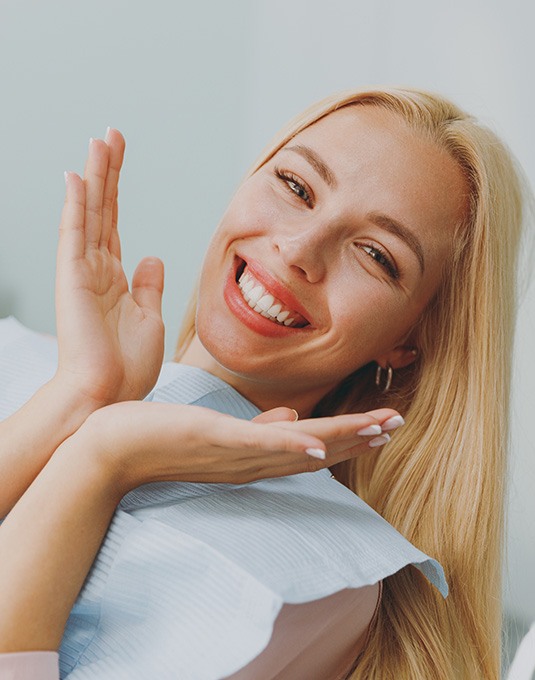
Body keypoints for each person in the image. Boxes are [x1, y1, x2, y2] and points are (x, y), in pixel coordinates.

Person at [0, 86, 529, 679]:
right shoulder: (26, 361)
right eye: (296, 187)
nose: (300, 248)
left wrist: (100, 459)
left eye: (377, 255)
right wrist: (77, 400)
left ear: (407, 342)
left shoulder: (314, 577)